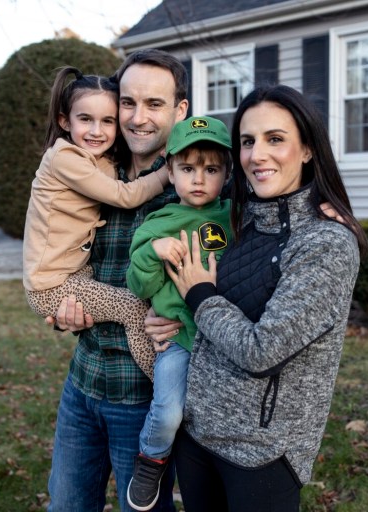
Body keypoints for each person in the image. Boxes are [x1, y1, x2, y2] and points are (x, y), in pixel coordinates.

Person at [158, 85, 368, 512]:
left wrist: (198, 295)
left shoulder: (325, 243)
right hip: (197, 437)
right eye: (248, 141)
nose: (258, 155)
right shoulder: (235, 218)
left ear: (308, 149)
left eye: (276, 139)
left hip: (263, 454)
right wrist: (163, 314)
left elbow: (262, 351)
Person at [46, 50, 188, 512]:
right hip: (83, 382)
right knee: (66, 505)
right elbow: (55, 244)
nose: (138, 117)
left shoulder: (196, 185)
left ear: (179, 111)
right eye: (128, 103)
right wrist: (60, 309)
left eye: (154, 104)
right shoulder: (94, 166)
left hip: (141, 396)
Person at [23, 66, 168, 379]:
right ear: (65, 121)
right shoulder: (64, 158)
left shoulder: (98, 159)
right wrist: (166, 172)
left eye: (107, 121)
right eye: (85, 119)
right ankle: (163, 385)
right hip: (52, 285)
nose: (96, 131)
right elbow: (125, 195)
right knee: (131, 307)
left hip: (75, 274)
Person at [124, 116, 233, 510]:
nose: (199, 179)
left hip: (228, 340)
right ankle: (151, 460)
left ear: (227, 173)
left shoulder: (237, 216)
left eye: (211, 169)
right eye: (187, 168)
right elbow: (140, 286)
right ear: (169, 171)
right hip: (180, 339)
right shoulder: (157, 224)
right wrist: (154, 254)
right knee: (169, 412)